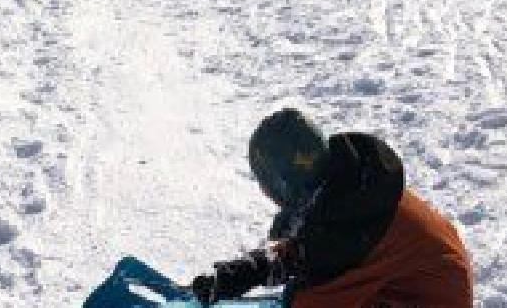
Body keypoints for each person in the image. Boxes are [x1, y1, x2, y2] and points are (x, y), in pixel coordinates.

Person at [189, 109, 474, 307]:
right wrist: (251, 270)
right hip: (409, 289)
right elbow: (310, 251)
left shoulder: (346, 233)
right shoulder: (355, 189)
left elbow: (313, 290)